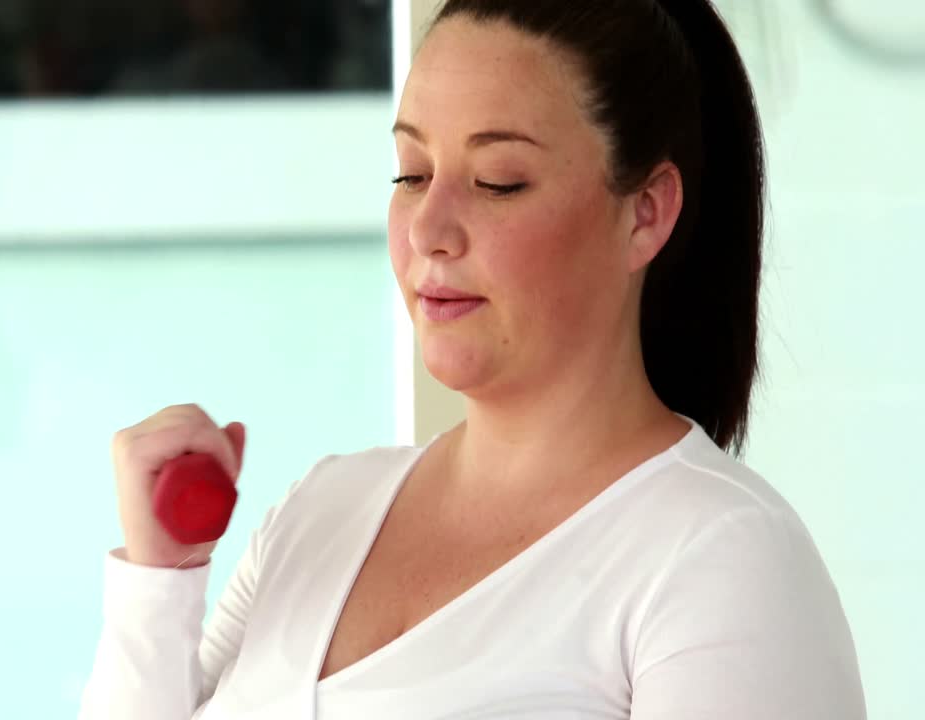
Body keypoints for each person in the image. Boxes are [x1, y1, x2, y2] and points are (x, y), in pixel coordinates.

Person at [78, 0, 866, 717]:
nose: (429, 228)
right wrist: (159, 580)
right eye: (411, 174)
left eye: (498, 181)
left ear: (646, 213)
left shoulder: (720, 561)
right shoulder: (318, 512)